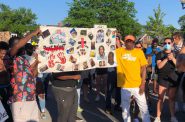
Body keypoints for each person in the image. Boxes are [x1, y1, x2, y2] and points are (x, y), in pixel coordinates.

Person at [6, 29, 41, 122]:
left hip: (31, 98)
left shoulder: (24, 59)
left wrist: (37, 63)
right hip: (19, 100)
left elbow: (33, 75)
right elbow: (18, 45)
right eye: (21, 45)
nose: (23, 47)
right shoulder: (10, 57)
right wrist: (32, 34)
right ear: (12, 47)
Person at [116, 35, 150, 122]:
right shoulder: (118, 51)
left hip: (137, 85)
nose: (129, 43)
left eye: (131, 41)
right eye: (127, 41)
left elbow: (144, 69)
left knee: (144, 108)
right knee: (125, 109)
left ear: (134, 43)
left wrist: (143, 84)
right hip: (124, 86)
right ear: (125, 42)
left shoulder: (139, 52)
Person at [154, 38, 178, 122]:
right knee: (160, 98)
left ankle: (173, 116)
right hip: (162, 79)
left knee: (171, 98)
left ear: (172, 44)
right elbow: (159, 66)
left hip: (173, 79)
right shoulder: (159, 54)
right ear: (163, 44)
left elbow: (179, 67)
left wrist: (173, 58)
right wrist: (167, 59)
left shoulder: (176, 54)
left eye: (169, 42)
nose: (167, 44)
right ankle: (158, 117)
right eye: (165, 43)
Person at [0, 41, 13, 121]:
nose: (3, 55)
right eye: (1, 53)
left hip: (7, 88)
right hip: (0, 90)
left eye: (4, 53)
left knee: (8, 108)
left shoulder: (6, 59)